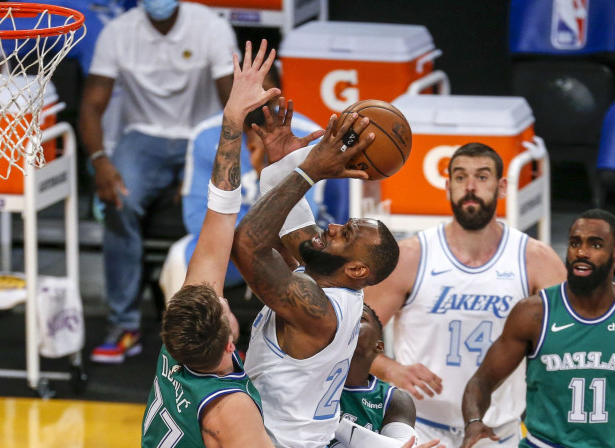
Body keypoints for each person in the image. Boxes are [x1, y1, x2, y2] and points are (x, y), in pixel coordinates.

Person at [363, 142, 567, 447]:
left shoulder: (536, 260)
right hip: (422, 428)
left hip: (500, 432)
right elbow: (349, 339)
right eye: (460, 177)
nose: (470, 187)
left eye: (482, 177)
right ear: (447, 187)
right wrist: (392, 369)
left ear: (501, 187)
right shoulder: (410, 257)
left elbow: (566, 347)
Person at [230, 104, 401, 447]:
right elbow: (294, 222)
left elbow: (247, 245)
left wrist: (309, 171)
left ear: (356, 269)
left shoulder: (319, 313)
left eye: (346, 234)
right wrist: (283, 165)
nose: (334, 227)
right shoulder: (330, 275)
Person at [78, 0, 238, 363]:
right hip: (142, 137)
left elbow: (234, 102)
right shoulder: (118, 33)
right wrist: (100, 160)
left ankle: (220, 324)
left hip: (201, 133)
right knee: (117, 199)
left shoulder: (210, 27)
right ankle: (124, 325)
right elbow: (90, 105)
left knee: (221, 205)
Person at [141, 40, 277, 448]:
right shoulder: (232, 411)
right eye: (221, 304)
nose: (219, 294)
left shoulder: (178, 351)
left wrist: (233, 120)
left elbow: (220, 211)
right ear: (230, 341)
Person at [461, 208, 615, 448]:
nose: (581, 252)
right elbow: (482, 381)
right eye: (575, 243)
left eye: (595, 245)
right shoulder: (534, 313)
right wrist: (473, 421)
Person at [159, 63, 323, 301]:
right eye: (247, 88)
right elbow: (195, 217)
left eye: (264, 90)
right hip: (228, 246)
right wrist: (248, 242)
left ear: (279, 92)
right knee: (178, 257)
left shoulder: (308, 134)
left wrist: (265, 171)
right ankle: (189, 337)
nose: (256, 98)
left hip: (284, 249)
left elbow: (304, 225)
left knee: (313, 260)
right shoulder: (206, 134)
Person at [330, 304, 423, 448]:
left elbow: (403, 446)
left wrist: (329, 419)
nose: (348, 322)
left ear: (378, 346)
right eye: (340, 318)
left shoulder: (395, 399)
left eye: (360, 318)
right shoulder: (306, 382)